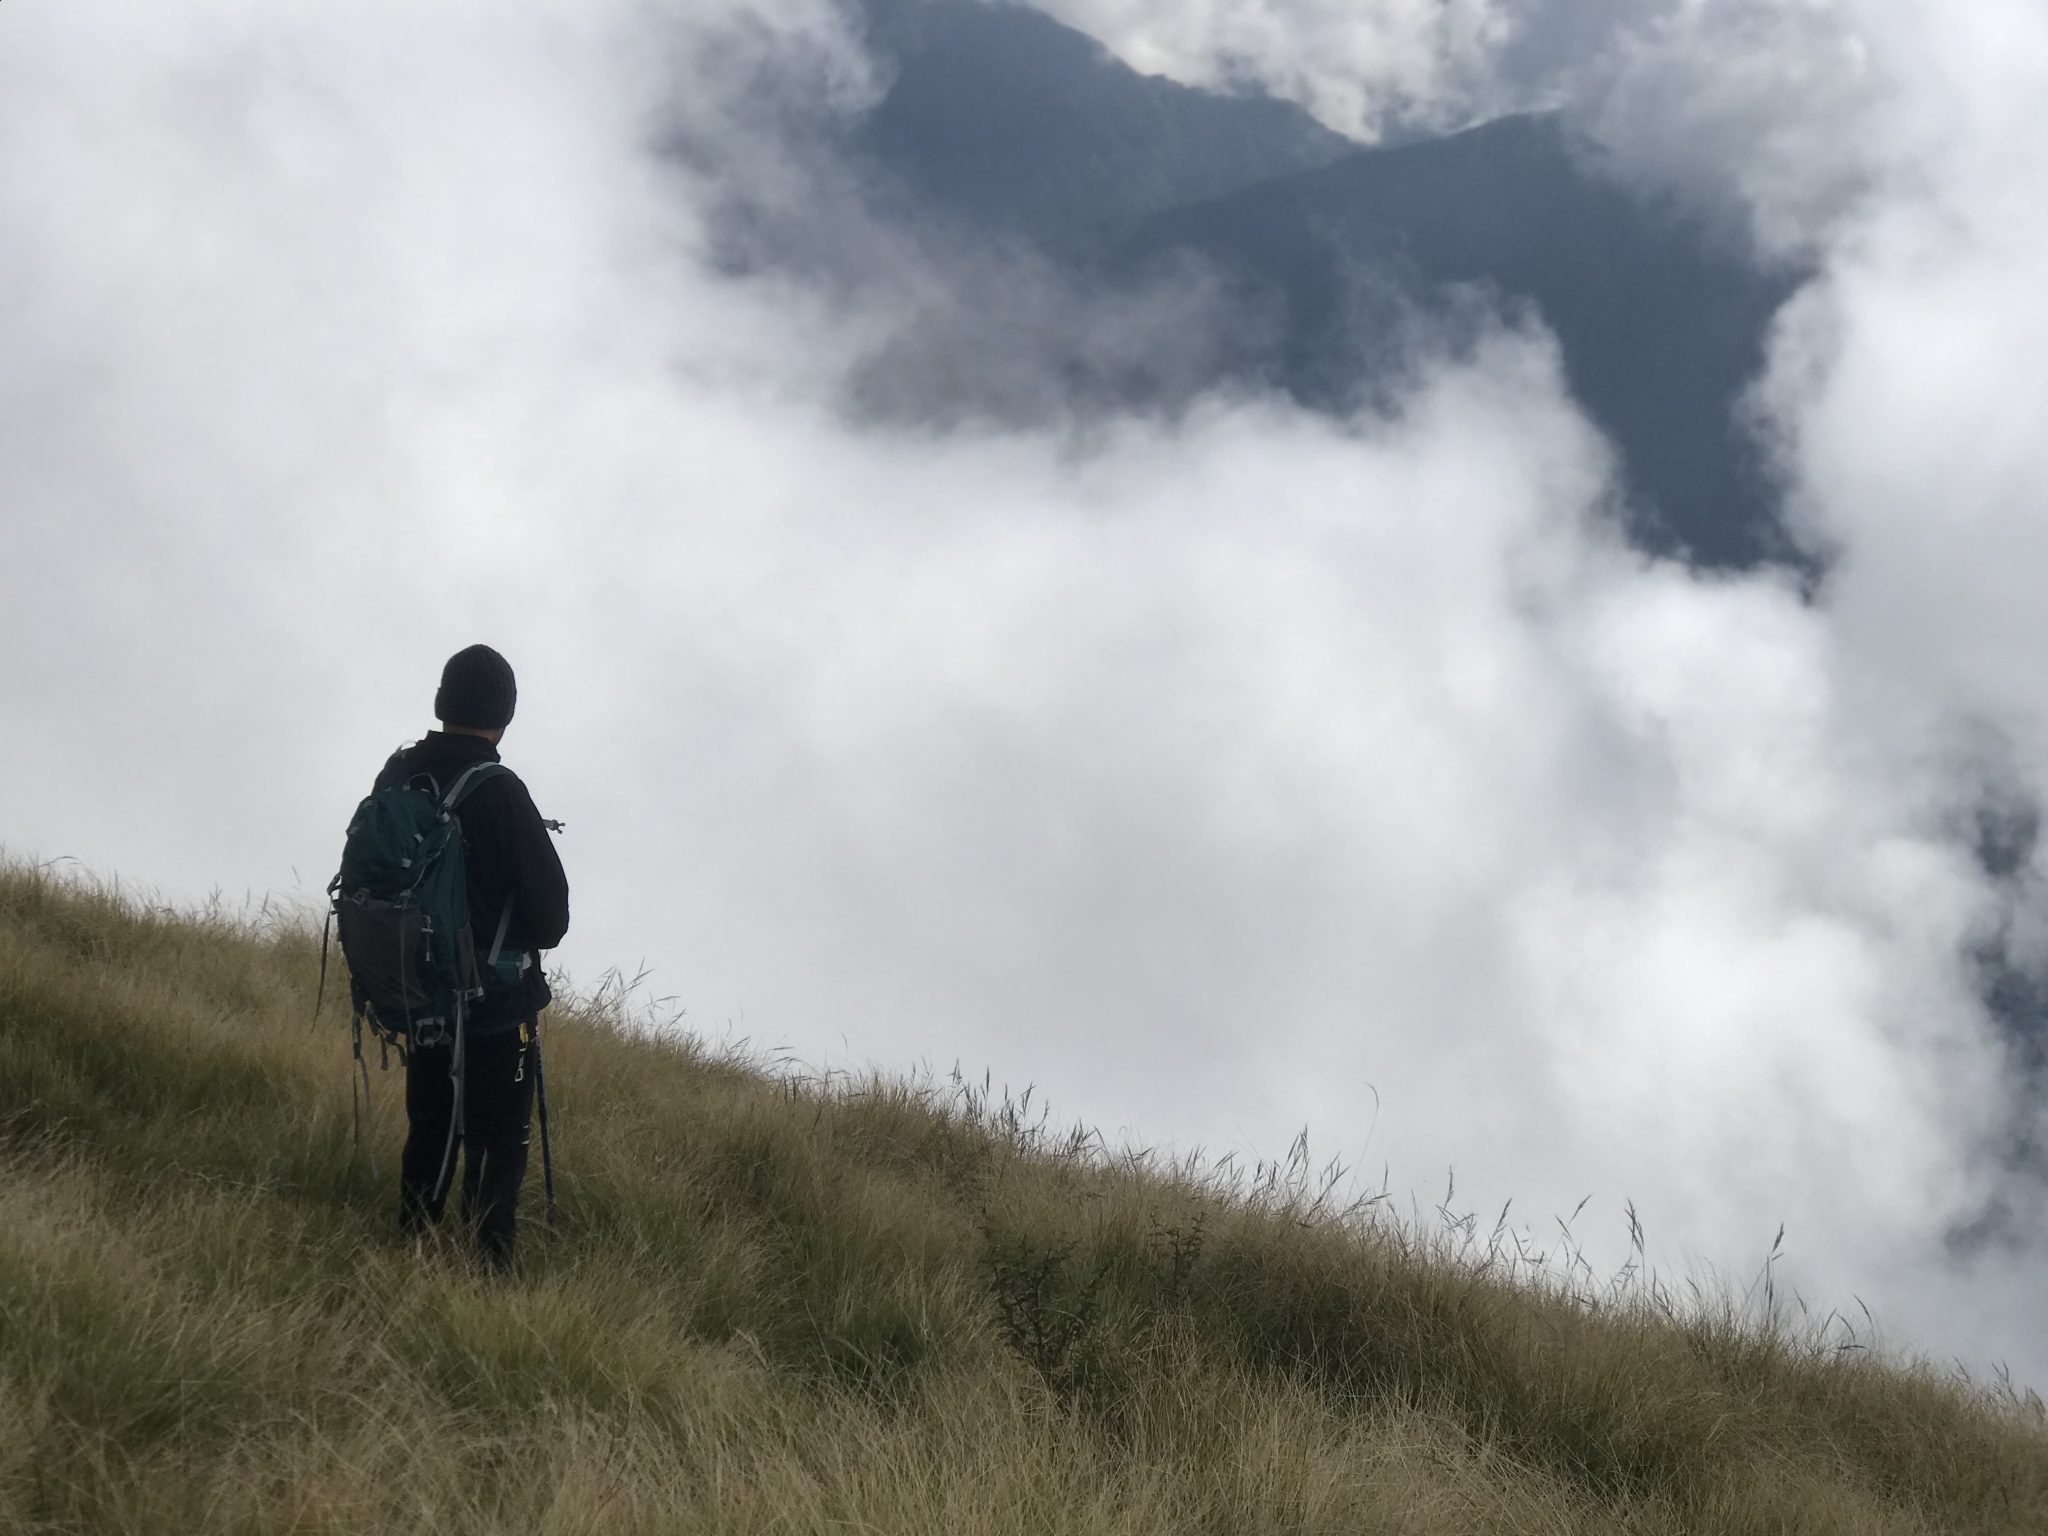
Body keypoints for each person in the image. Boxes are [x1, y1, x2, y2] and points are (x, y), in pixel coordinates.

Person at [390, 643, 570, 1269]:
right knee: (497, 1143)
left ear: (442, 702)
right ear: (505, 715)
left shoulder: (401, 774)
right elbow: (550, 921)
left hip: (417, 991)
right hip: (494, 1006)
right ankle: (486, 1278)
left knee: (431, 1124)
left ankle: (409, 1246)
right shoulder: (499, 791)